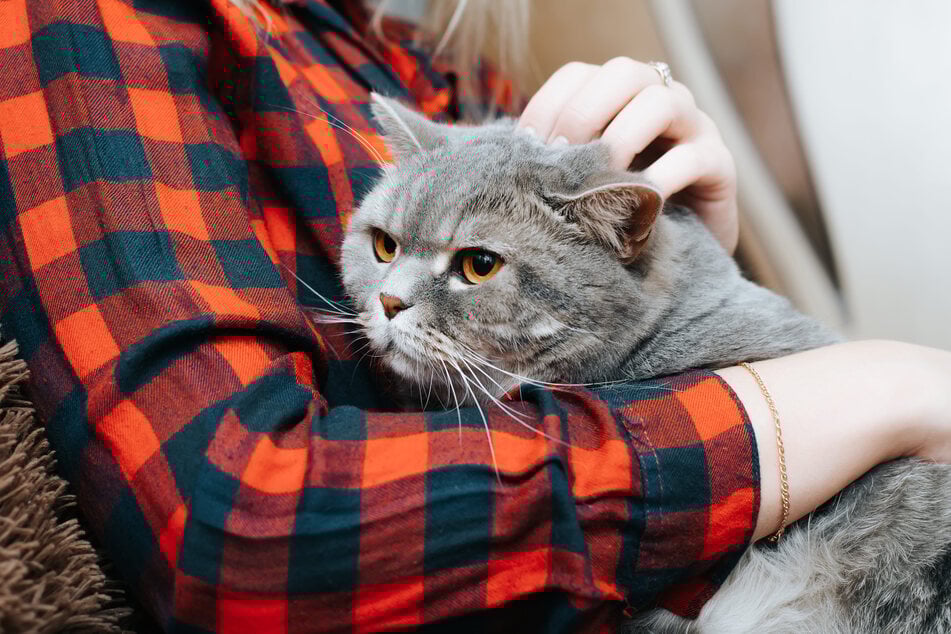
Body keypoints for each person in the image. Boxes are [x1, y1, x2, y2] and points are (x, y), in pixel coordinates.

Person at [0, 0, 948, 631]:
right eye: (379, 249)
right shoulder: (103, 24)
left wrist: (698, 271)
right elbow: (242, 527)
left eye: (468, 263)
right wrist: (827, 404)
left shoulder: (441, 72)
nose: (391, 299)